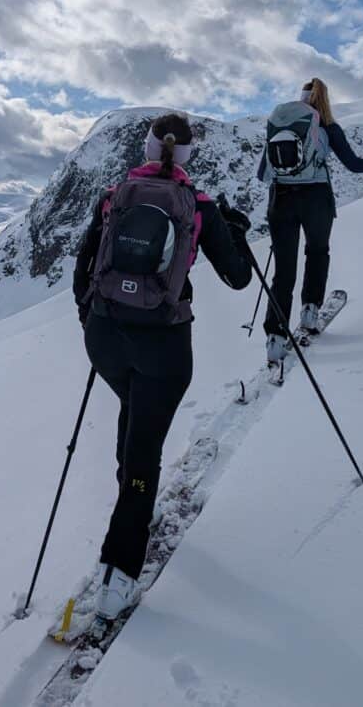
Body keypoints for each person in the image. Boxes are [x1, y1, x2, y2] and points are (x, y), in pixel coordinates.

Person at [72, 112, 254, 621]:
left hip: (105, 338)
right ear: (187, 155)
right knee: (144, 453)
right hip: (164, 347)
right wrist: (236, 230)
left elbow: (83, 268)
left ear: (148, 149)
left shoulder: (115, 195)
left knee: (132, 420)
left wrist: (95, 319)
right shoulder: (197, 205)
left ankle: (127, 510)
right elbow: (239, 277)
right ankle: (119, 576)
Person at [257, 77, 363, 364]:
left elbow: (262, 175)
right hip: (317, 199)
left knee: (283, 270)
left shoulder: (278, 125)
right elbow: (355, 165)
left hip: (281, 201)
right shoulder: (328, 127)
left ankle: (275, 338)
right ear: (324, 99)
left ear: (300, 98)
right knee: (317, 252)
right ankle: (310, 313)